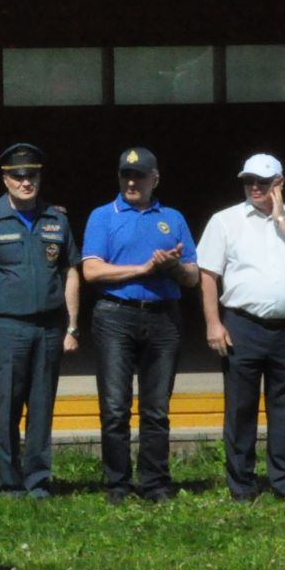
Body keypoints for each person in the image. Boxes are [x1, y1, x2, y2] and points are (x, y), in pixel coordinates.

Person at [195, 154, 285, 502]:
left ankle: (284, 482)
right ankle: (242, 486)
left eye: (263, 182)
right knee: (241, 408)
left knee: (284, 409)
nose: (254, 187)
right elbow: (208, 274)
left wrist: (280, 218)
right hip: (243, 325)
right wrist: (213, 323)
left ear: (279, 183)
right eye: (248, 181)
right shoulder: (225, 220)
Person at [0, 143, 80, 498]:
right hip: (7, 327)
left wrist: (72, 326)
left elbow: (71, 271)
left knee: (42, 407)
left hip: (48, 327)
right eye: (18, 176)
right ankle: (10, 483)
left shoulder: (57, 219)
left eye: (32, 175)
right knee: (8, 408)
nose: (26, 182)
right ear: (5, 178)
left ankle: (38, 481)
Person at [82, 146, 201, 504]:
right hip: (115, 314)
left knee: (157, 407)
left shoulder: (173, 218)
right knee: (116, 407)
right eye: (126, 176)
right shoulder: (103, 216)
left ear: (155, 179)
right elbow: (91, 270)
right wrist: (143, 270)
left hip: (164, 316)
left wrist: (173, 268)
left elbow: (193, 276)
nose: (132, 182)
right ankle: (117, 484)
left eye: (140, 176)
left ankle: (155, 483)